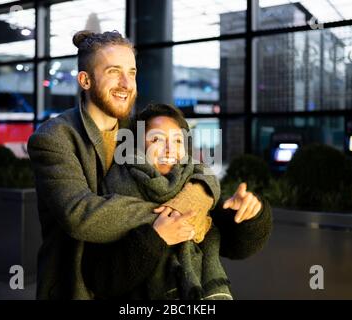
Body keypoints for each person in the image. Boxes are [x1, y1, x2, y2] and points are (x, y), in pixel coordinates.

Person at [27, 30, 268, 300]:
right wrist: (175, 213)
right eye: (113, 71)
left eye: (131, 72)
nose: (126, 83)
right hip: (77, 287)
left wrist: (200, 193)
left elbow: (190, 167)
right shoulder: (54, 137)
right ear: (85, 80)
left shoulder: (137, 129)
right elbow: (78, 213)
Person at [81, 103, 272, 300]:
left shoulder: (198, 191)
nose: (170, 149)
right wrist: (156, 238)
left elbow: (238, 247)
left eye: (178, 140)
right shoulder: (112, 191)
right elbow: (100, 280)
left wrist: (250, 215)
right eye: (156, 139)